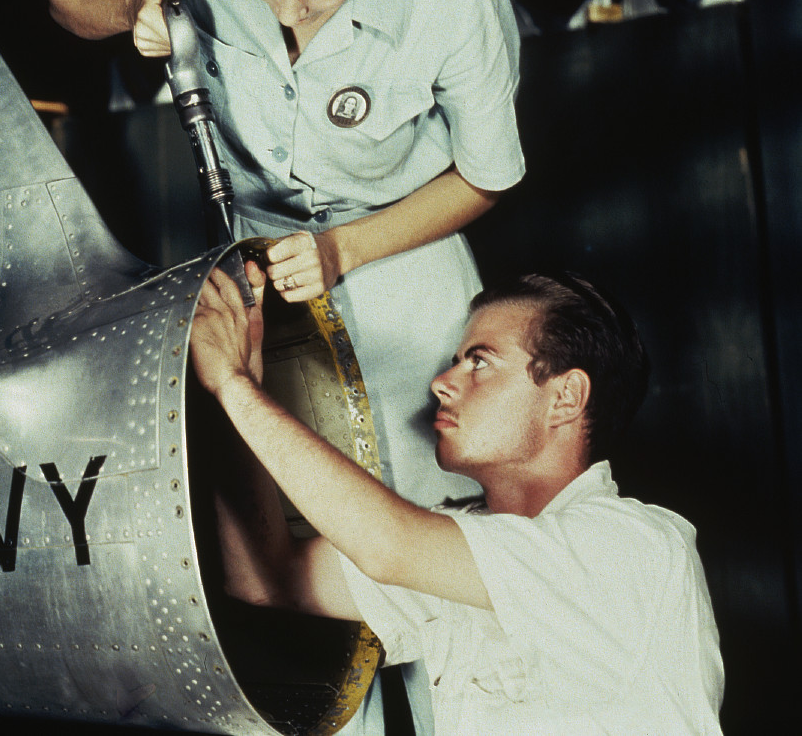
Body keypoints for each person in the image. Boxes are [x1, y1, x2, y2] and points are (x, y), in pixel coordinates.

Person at [48, 0, 525, 731]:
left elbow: (486, 174)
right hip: (251, 256)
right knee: (272, 529)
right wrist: (134, 2)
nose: (289, 9)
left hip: (397, 248)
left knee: (427, 518)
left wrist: (345, 248)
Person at [189, 263, 725, 734]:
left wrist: (235, 386)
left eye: (480, 362)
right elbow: (263, 579)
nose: (442, 383)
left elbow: (391, 545)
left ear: (566, 397)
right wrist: (243, 376)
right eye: (455, 361)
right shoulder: (465, 548)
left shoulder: (636, 547)